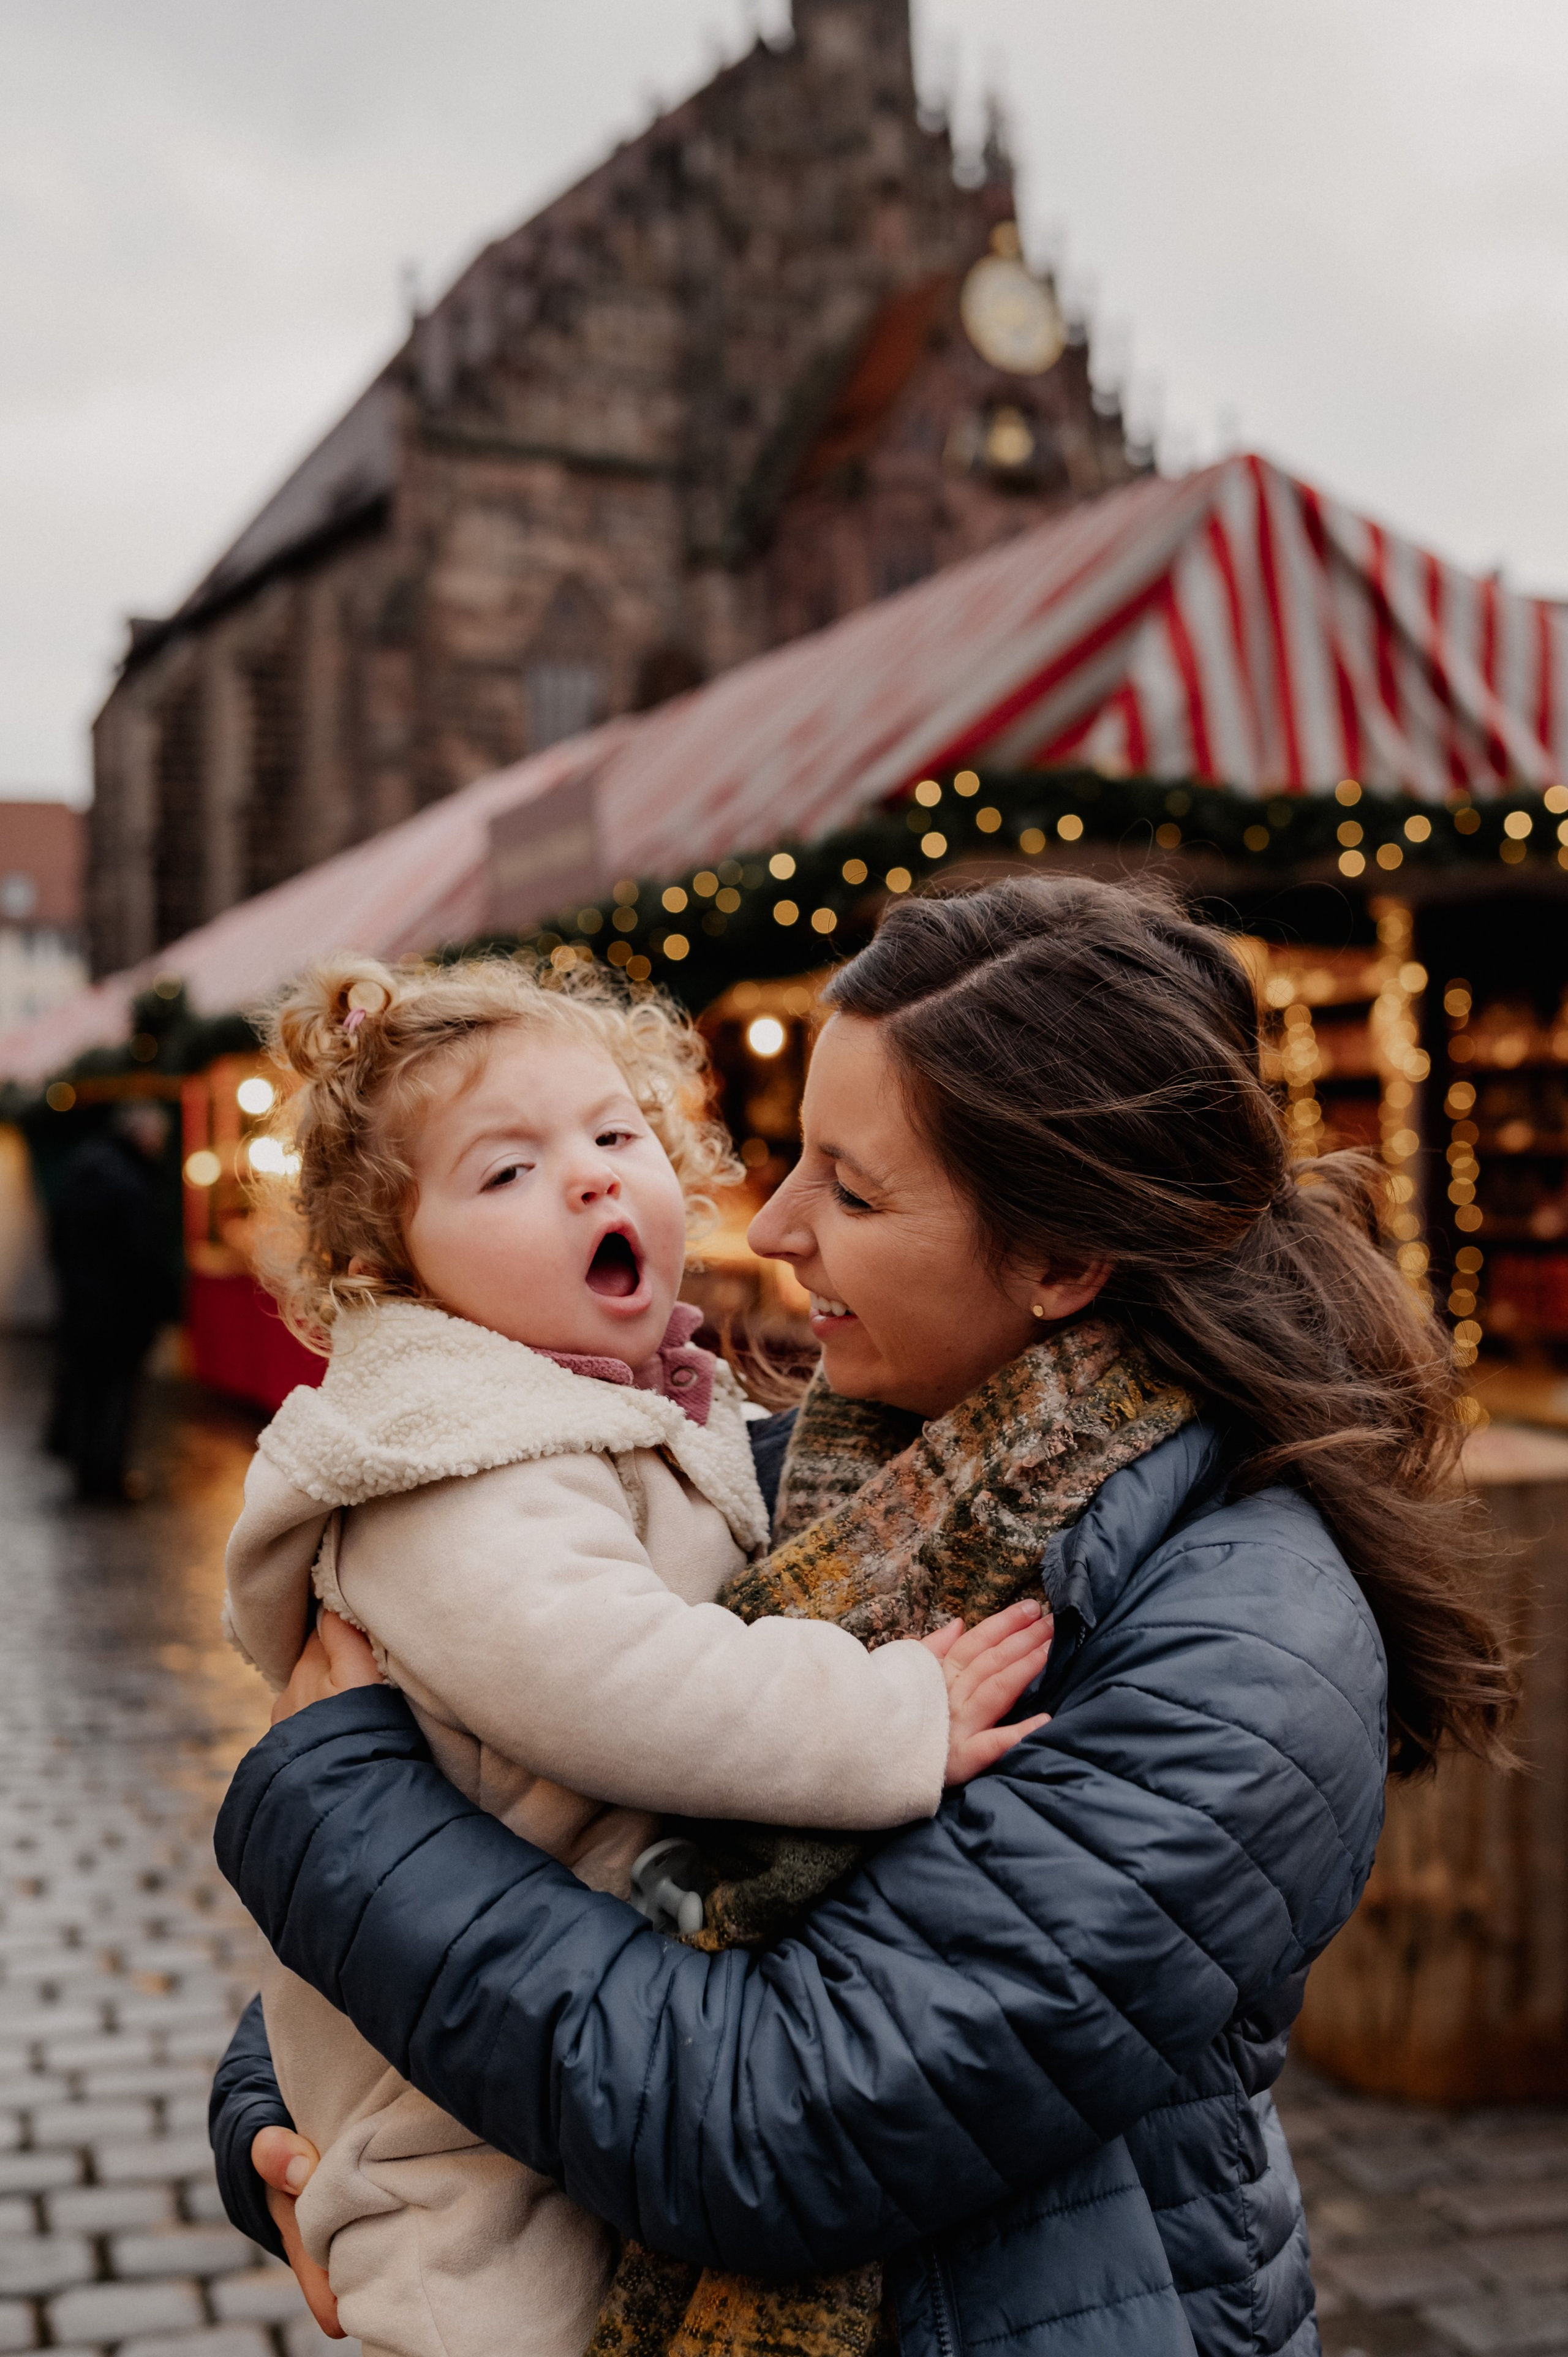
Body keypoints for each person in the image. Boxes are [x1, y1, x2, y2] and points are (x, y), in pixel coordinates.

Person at [211, 877, 1516, 2357]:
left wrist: (335, 1808)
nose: (767, 1226)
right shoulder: (792, 1478)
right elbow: (512, 1828)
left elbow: (774, 2122)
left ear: (1060, 1260)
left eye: (850, 1184)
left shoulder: (1242, 1643)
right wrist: (278, 2121)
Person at [222, 954, 1052, 2357]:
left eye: (615, 1136)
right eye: (504, 1172)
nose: (594, 1180)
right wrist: (889, 1712)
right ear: (391, 1265)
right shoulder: (457, 1464)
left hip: (543, 2022)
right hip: (451, 2147)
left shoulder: (619, 1402)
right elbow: (626, 1678)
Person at [47, 1100, 173, 1501]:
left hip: (82, 1305)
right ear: (143, 1135)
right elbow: (143, 1254)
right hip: (121, 1312)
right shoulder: (131, 1181)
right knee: (117, 1396)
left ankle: (87, 1475)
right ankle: (107, 1478)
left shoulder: (82, 1169)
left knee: (87, 1391)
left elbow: (57, 1240)